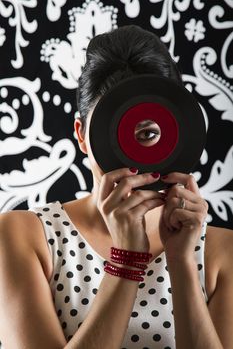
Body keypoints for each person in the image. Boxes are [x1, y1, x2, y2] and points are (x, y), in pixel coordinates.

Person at [0, 25, 232, 349]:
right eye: (115, 134)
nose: (132, 158)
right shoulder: (24, 236)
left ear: (174, 134)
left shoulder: (221, 252)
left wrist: (182, 263)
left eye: (148, 134)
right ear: (82, 135)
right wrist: (125, 262)